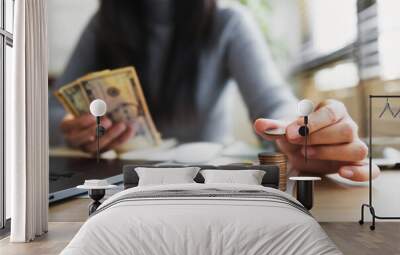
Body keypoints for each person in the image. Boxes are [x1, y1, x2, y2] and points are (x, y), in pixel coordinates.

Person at [49, 0, 379, 182]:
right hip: (122, 183)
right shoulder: (102, 25)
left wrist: (297, 132)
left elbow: (272, 102)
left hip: (206, 183)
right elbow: (51, 113)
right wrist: (70, 131)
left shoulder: (228, 20)